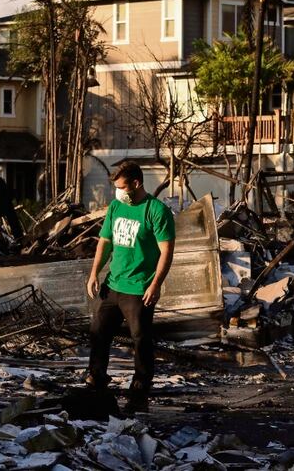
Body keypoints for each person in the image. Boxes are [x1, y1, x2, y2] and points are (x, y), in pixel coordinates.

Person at [85, 160, 175, 413]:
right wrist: (94, 273)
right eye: (116, 187)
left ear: (136, 183)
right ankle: (96, 380)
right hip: (113, 283)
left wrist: (155, 284)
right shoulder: (116, 206)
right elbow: (105, 242)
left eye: (122, 187)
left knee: (141, 340)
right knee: (98, 332)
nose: (119, 192)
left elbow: (166, 252)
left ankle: (139, 391)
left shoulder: (156, 211)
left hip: (139, 288)